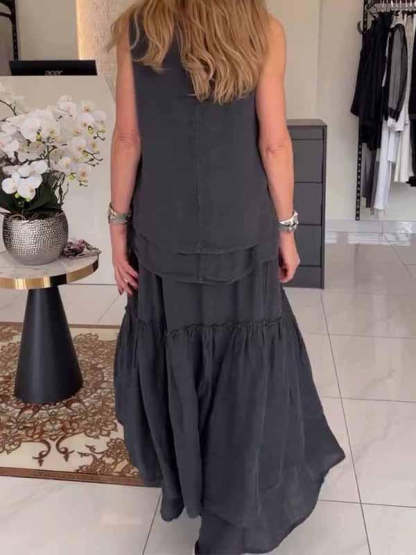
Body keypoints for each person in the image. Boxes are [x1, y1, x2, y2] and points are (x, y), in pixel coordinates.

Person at [107, 2, 345, 554]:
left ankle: (188, 484)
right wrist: (287, 229)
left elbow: (127, 138)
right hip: (241, 227)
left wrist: (117, 225)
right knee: (244, 372)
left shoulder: (137, 28)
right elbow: (274, 142)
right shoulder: (262, 29)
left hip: (162, 228)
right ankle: (232, 515)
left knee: (176, 358)